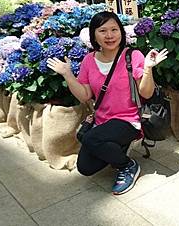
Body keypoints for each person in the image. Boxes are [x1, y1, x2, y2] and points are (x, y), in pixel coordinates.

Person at [47, 12, 168, 195]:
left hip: (129, 120)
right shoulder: (89, 60)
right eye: (103, 30)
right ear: (94, 35)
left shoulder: (132, 56)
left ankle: (128, 165)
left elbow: (146, 93)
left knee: (91, 138)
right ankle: (116, 147)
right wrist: (67, 74)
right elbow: (85, 96)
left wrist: (148, 69)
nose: (109, 35)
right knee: (86, 168)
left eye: (114, 29)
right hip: (103, 121)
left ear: (121, 31)